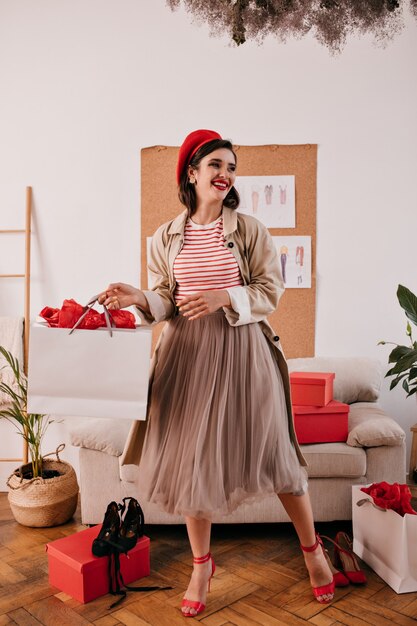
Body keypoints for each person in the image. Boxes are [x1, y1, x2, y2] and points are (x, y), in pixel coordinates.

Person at [99, 129, 335, 617]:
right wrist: (139, 297)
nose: (225, 174)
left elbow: (271, 289)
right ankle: (202, 565)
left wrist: (226, 296)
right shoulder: (166, 236)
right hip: (185, 356)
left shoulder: (248, 230)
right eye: (216, 166)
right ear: (192, 172)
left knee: (276, 456)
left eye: (231, 167)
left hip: (243, 353)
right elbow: (166, 298)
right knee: (193, 466)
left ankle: (313, 552)